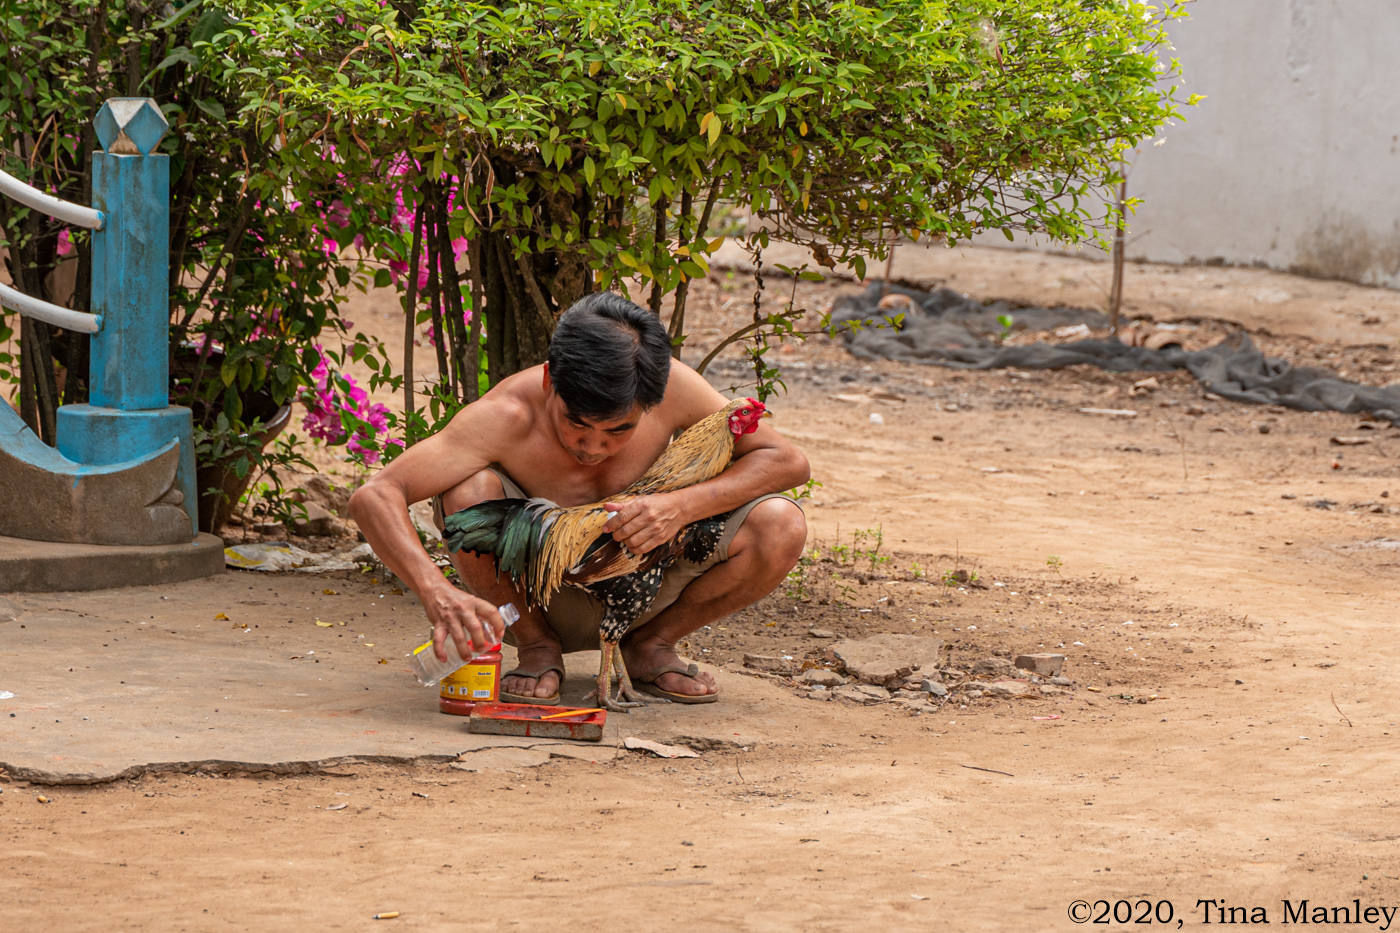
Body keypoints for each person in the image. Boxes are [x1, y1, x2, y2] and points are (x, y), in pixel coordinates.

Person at [349, 292, 809, 704]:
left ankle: (651, 645)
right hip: (539, 596)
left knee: (781, 524)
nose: (593, 446)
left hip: (645, 586)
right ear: (551, 380)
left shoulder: (674, 388)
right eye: (576, 423)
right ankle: (537, 646)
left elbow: (788, 461)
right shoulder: (506, 416)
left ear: (653, 401)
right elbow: (375, 495)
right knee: (468, 489)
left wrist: (679, 507)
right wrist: (438, 595)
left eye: (618, 430)